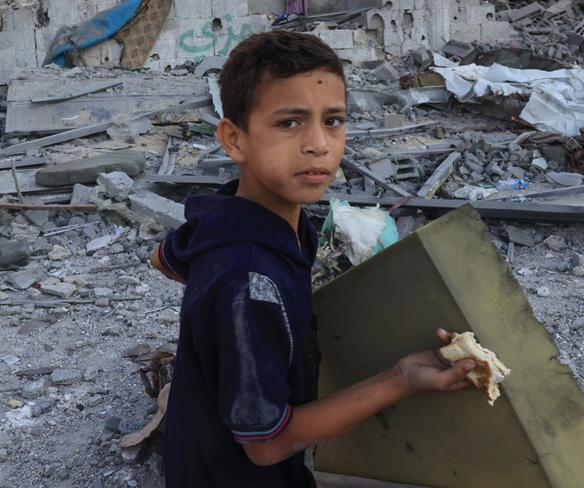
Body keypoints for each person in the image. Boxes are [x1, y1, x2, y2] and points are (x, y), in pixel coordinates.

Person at [150, 30, 476, 488]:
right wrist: (400, 379)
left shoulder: (236, 218)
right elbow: (266, 445)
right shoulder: (249, 284)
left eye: (334, 120)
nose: (320, 145)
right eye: (289, 123)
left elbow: (162, 257)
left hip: (197, 447)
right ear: (234, 139)